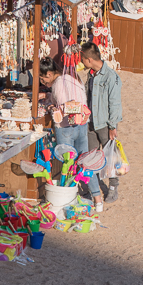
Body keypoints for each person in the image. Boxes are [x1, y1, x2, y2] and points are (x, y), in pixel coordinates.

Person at [49, 57, 103, 212]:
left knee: (68, 164)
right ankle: (97, 198)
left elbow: (59, 103)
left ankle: (68, 199)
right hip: (81, 125)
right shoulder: (76, 79)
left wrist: (51, 106)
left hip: (65, 127)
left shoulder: (59, 83)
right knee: (85, 161)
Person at [81, 43, 123, 203]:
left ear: (89, 59)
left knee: (110, 157)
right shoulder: (92, 74)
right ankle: (91, 187)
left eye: (83, 60)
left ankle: (113, 187)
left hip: (105, 124)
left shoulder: (111, 77)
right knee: (90, 157)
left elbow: (115, 103)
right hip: (91, 122)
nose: (82, 63)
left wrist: (113, 126)